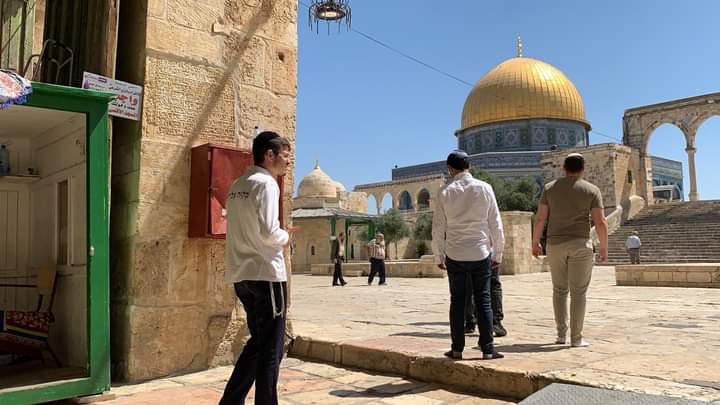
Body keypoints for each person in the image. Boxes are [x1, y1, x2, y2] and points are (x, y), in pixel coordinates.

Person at [220, 131, 295, 405]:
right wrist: (286, 237)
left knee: (257, 344)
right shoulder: (267, 184)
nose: (288, 163)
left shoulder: (237, 185)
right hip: (266, 275)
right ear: (269, 154)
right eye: (285, 156)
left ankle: (231, 401)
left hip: (242, 276)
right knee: (271, 351)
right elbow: (268, 232)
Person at [432, 150, 505, 360]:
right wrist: (497, 252)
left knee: (457, 301)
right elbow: (495, 224)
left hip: (455, 253)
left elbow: (438, 228)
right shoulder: (485, 188)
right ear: (469, 167)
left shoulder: (445, 192)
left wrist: (439, 256)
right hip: (481, 253)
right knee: (483, 300)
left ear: (450, 169)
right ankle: (488, 349)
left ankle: (457, 349)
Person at [532, 153, 608, 349]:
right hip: (580, 244)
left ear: (564, 168)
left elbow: (540, 218)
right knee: (578, 293)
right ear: (583, 169)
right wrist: (603, 247)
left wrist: (535, 242)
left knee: (559, 290)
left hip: (555, 245)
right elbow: (600, 222)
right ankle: (576, 338)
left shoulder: (550, 189)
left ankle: (560, 334)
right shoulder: (592, 190)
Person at [464, 259, 506, 337]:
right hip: (486, 253)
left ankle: (470, 321)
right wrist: (498, 256)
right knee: (493, 285)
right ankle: (496, 322)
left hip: (462, 255)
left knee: (469, 285)